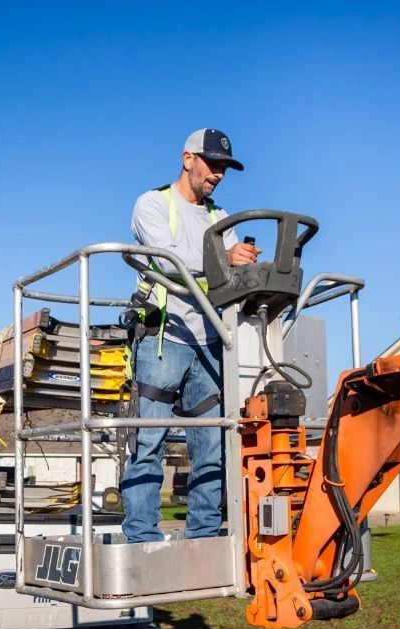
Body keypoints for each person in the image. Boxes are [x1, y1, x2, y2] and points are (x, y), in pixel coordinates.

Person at [122, 129, 261, 543]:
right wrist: (224, 259)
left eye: (224, 168)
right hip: (163, 339)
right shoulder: (152, 204)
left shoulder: (222, 219)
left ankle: (203, 535)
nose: (218, 174)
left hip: (211, 343)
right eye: (212, 164)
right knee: (149, 441)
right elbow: (167, 259)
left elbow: (234, 272)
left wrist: (251, 266)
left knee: (212, 446)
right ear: (187, 159)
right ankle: (142, 536)